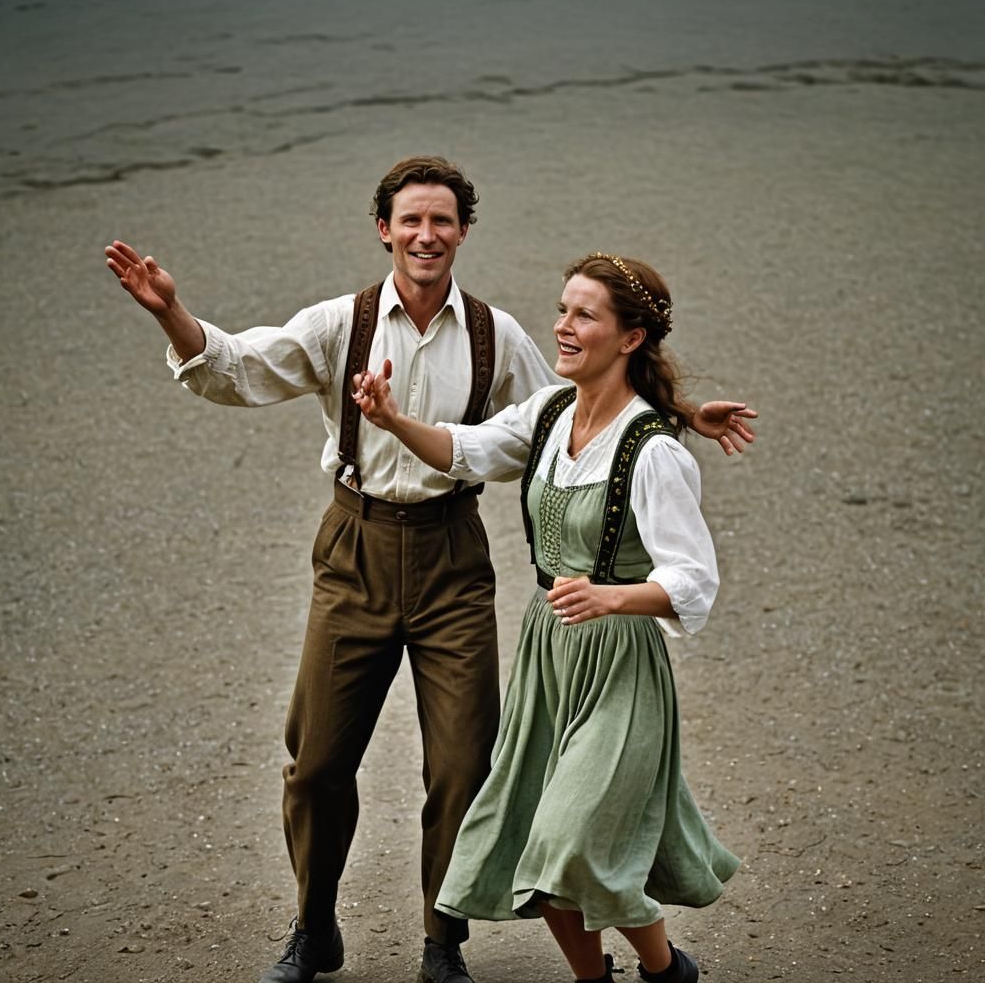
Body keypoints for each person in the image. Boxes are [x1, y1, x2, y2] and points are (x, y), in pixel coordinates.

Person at [104, 157, 755, 983]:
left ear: (462, 233)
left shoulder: (500, 337)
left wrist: (682, 414)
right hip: (355, 550)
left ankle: (441, 944)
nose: (425, 234)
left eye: (441, 221)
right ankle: (313, 930)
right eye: (410, 220)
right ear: (384, 229)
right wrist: (174, 316)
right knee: (317, 764)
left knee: (460, 765)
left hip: (453, 558)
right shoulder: (339, 324)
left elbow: (591, 405)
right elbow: (239, 368)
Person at [353, 251, 746, 983]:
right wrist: (392, 419)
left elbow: (693, 580)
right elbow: (465, 450)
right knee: (537, 839)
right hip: (549, 653)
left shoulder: (653, 451)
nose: (562, 326)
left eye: (583, 315)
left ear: (629, 339)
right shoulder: (549, 412)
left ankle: (666, 971)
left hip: (620, 662)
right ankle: (592, 979)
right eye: (562, 309)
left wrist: (612, 595)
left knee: (570, 840)